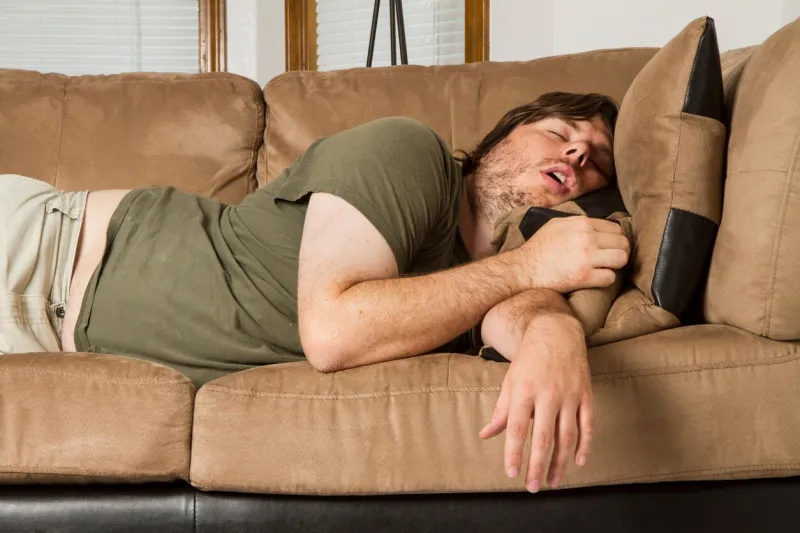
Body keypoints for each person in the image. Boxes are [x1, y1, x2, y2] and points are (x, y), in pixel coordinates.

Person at [0, 91, 629, 494]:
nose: (577, 149)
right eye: (558, 131)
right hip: (39, 248)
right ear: (499, 139)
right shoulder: (409, 155)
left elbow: (518, 305)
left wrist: (555, 329)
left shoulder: (474, 287)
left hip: (42, 341)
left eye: (597, 160)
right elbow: (333, 331)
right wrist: (527, 268)